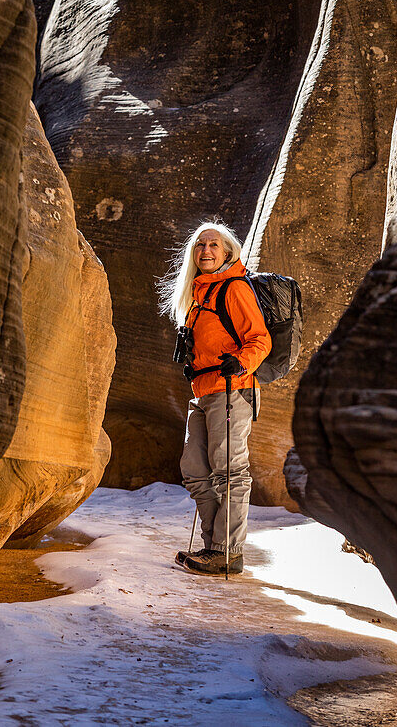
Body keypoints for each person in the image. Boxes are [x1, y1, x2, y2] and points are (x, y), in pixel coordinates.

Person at [160, 220, 271, 575]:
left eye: (213, 245)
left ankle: (226, 551)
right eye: (200, 245)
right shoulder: (199, 294)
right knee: (194, 470)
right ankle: (214, 547)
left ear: (227, 252)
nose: (205, 250)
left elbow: (260, 339)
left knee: (230, 472)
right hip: (204, 391)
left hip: (233, 390)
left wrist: (240, 363)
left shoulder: (234, 288)